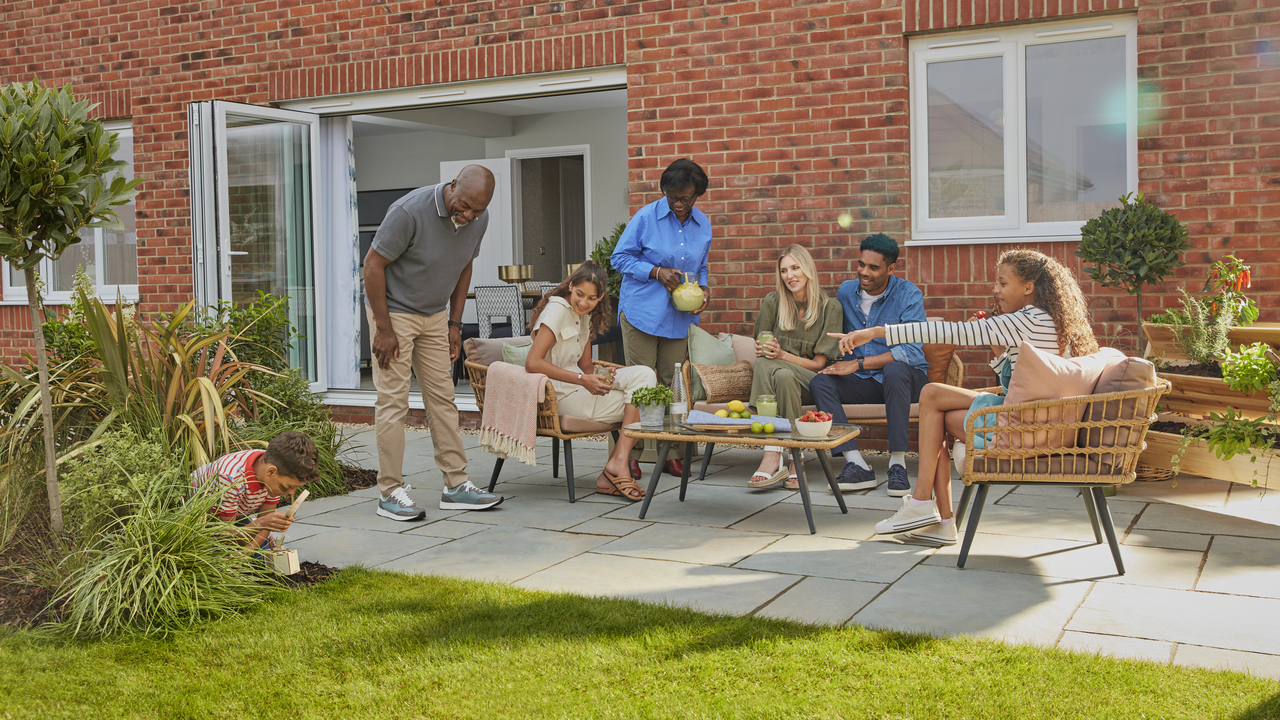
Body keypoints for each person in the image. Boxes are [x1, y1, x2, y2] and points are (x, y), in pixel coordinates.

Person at [829, 249, 1099, 546]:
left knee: (932, 396)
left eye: (1003, 283)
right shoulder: (1046, 319)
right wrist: (998, 349)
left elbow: (953, 331)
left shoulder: (1028, 319)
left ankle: (929, 510)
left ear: (1028, 287)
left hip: (1023, 422)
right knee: (934, 402)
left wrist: (878, 331)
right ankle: (935, 517)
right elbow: (1017, 378)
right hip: (1030, 412)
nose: (996, 290)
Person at [363, 165, 504, 521]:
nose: (469, 215)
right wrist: (383, 328)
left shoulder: (477, 220)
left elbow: (464, 267)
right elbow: (372, 266)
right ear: (452, 185)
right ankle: (390, 492)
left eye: (478, 210)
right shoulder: (409, 212)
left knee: (443, 398)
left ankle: (456, 486)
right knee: (393, 401)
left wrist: (455, 322)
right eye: (465, 205)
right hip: (394, 313)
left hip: (434, 315)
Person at [611, 158, 713, 478]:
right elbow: (620, 258)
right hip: (642, 312)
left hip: (679, 318)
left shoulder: (703, 224)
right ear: (664, 192)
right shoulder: (645, 217)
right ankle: (632, 453)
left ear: (698, 195)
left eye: (687, 198)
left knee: (672, 387)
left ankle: (671, 451)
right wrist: (655, 271)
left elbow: (703, 268)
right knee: (642, 384)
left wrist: (705, 291)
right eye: (673, 197)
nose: (680, 204)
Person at [525, 261, 659, 501]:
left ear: (601, 297)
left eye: (591, 298)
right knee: (644, 404)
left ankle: (617, 462)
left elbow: (586, 366)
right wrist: (582, 379)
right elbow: (533, 362)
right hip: (560, 396)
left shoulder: (583, 315)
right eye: (579, 294)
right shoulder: (556, 311)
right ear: (571, 285)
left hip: (580, 389)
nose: (584, 302)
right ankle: (616, 467)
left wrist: (600, 379)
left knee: (646, 376)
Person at [809, 234, 929, 497]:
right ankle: (856, 463)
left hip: (907, 380)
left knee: (894, 369)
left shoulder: (909, 294)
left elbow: (909, 350)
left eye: (873, 267)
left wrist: (858, 363)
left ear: (891, 268)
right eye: (861, 264)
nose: (864, 272)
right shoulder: (845, 291)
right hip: (866, 382)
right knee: (821, 381)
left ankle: (897, 464)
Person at [747, 244, 844, 490]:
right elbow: (763, 345)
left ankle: (772, 452)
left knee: (779, 367)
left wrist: (781, 355)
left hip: (812, 381)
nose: (789, 275)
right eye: (783, 270)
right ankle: (794, 458)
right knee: (782, 376)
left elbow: (819, 365)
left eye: (795, 268)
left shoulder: (829, 308)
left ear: (807, 269)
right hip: (782, 382)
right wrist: (765, 351)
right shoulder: (774, 302)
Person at [190, 431, 318, 548]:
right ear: (271, 471)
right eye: (289, 487)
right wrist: (262, 522)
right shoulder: (230, 478)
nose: (291, 493)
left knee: (262, 561)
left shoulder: (274, 470)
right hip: (202, 522)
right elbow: (225, 536)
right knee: (220, 556)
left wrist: (247, 553)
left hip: (233, 517)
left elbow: (265, 523)